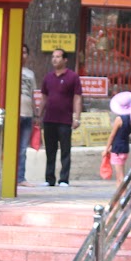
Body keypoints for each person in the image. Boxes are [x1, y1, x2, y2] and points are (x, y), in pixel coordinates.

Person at [39, 47, 82, 186]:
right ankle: (49, 179)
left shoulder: (73, 77)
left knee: (65, 150)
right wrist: (39, 115)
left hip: (64, 120)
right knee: (50, 151)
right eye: (53, 57)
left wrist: (77, 118)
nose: (55, 59)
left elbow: (77, 98)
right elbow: (44, 98)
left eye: (58, 57)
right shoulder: (48, 77)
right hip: (49, 119)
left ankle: (64, 179)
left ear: (65, 60)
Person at [105, 91, 131, 190]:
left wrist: (106, 148)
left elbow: (112, 135)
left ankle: (122, 195)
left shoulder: (119, 119)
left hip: (117, 148)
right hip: (125, 147)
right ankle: (122, 194)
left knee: (120, 176)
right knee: (121, 173)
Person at [17, 46, 37, 184]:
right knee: (12, 147)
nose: (22, 55)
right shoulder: (10, 69)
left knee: (23, 149)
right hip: (14, 114)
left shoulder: (30, 74)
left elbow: (33, 94)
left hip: (28, 113)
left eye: (24, 52)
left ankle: (20, 177)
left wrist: (36, 113)